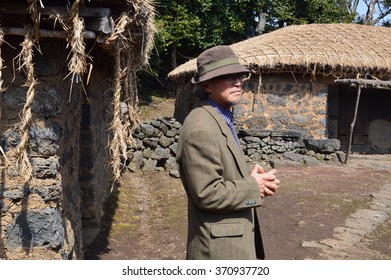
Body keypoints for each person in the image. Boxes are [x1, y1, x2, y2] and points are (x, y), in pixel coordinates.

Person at [176, 45, 280, 260]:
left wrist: (251, 178)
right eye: (227, 77)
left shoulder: (219, 119)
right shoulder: (201, 127)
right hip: (218, 252)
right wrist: (253, 186)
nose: (237, 82)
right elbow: (207, 193)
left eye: (239, 75)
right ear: (206, 85)